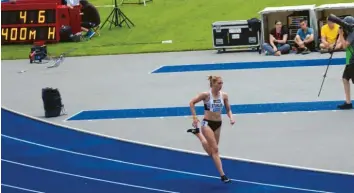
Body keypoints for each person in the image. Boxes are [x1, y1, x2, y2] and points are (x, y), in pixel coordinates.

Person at [187, 75, 235, 183]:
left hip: (218, 123)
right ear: (213, 84)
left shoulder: (224, 96)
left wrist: (231, 118)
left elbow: (228, 110)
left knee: (212, 152)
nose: (221, 85)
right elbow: (191, 103)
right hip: (207, 123)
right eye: (219, 83)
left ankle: (198, 134)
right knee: (216, 150)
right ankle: (223, 175)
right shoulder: (206, 95)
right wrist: (195, 118)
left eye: (222, 83)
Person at [337, 16, 354, 109]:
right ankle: (348, 102)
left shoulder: (352, 34)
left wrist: (340, 35)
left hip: (352, 61)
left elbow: (344, 46)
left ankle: (348, 102)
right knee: (345, 79)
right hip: (350, 60)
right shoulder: (350, 33)